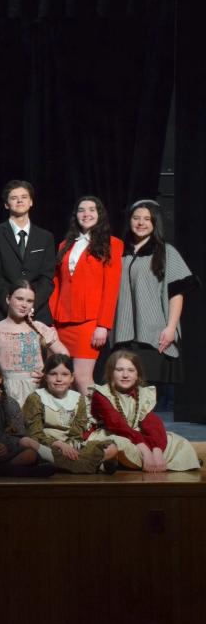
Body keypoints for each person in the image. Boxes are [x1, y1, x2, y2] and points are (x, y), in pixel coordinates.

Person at [110, 199, 199, 393]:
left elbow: (177, 293)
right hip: (123, 333)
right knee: (121, 393)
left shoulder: (166, 252)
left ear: (155, 222)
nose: (141, 223)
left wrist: (171, 328)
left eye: (147, 219)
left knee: (145, 393)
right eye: (136, 218)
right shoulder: (119, 251)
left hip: (152, 334)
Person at [49, 196, 124, 395]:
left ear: (100, 215)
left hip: (89, 322)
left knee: (82, 377)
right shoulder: (65, 244)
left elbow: (111, 287)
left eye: (92, 209)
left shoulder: (113, 244)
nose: (86, 214)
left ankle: (94, 422)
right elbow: (57, 284)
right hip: (62, 320)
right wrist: (51, 321)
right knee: (64, 378)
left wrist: (103, 325)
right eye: (82, 210)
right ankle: (74, 423)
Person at [86, 350, 199, 472]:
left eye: (131, 370)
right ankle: (118, 461)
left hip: (135, 434)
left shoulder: (143, 394)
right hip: (114, 433)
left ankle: (147, 461)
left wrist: (156, 450)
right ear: (111, 373)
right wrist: (145, 450)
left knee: (175, 441)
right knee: (118, 444)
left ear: (137, 375)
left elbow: (151, 423)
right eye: (119, 370)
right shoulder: (102, 394)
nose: (125, 375)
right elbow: (116, 424)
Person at [20, 353, 119, 474]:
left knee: (111, 446)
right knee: (28, 444)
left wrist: (71, 448)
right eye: (53, 374)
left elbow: (77, 434)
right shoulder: (36, 398)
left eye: (64, 374)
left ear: (72, 377)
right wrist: (58, 444)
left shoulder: (77, 399)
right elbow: (34, 434)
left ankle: (69, 464)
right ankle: (94, 465)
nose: (59, 379)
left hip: (69, 447)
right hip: (47, 445)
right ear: (45, 377)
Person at [0, 180, 55, 322]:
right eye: (14, 198)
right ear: (6, 204)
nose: (19, 201)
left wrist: (30, 306)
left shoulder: (46, 237)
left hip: (37, 314)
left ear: (31, 202)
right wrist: (13, 307)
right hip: (3, 313)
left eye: (24, 197)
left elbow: (46, 278)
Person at [0, 280, 68, 407]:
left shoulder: (38, 329)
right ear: (8, 299)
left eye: (29, 301)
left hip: (34, 390)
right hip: (4, 390)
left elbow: (64, 354)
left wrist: (48, 373)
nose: (24, 305)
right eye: (19, 299)